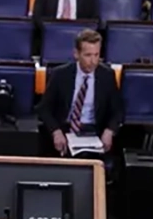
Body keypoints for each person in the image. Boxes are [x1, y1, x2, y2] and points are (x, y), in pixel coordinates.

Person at [38, 29, 123, 157]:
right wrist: (56, 131)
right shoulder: (60, 74)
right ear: (76, 54)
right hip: (65, 128)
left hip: (94, 131)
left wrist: (110, 131)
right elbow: (43, 109)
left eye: (96, 55)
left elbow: (118, 111)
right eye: (88, 55)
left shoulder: (107, 75)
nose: (93, 61)